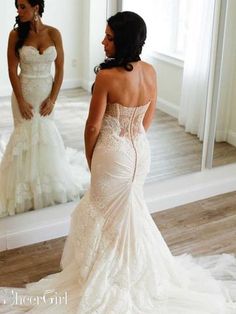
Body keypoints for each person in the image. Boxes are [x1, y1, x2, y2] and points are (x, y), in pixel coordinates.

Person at [0, 10, 236, 314]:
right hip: (139, 150)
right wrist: (131, 139)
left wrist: (92, 157)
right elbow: (146, 120)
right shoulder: (150, 71)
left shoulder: (107, 76)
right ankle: (131, 268)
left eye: (109, 38)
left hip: (112, 154)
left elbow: (93, 127)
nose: (103, 41)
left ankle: (108, 274)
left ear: (123, 41)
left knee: (101, 213)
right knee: (128, 213)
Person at [0, 0, 89, 217]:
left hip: (46, 93)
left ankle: (45, 185)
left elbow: (60, 69)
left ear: (36, 8)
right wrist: (20, 100)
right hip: (25, 93)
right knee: (25, 136)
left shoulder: (54, 34)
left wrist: (53, 99)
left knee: (46, 136)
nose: (19, 11)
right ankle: (24, 189)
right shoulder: (15, 36)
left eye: (23, 6)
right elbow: (12, 70)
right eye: (18, 7)